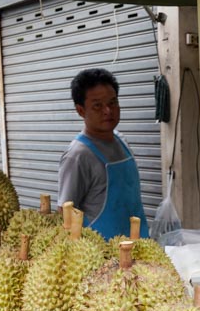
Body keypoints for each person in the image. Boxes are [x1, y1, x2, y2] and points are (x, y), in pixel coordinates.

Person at [57, 68, 148, 240]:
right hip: (101, 256)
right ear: (81, 110)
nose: (108, 110)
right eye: (97, 105)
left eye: (113, 102)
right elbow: (65, 213)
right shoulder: (77, 156)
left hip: (140, 244)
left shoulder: (122, 141)